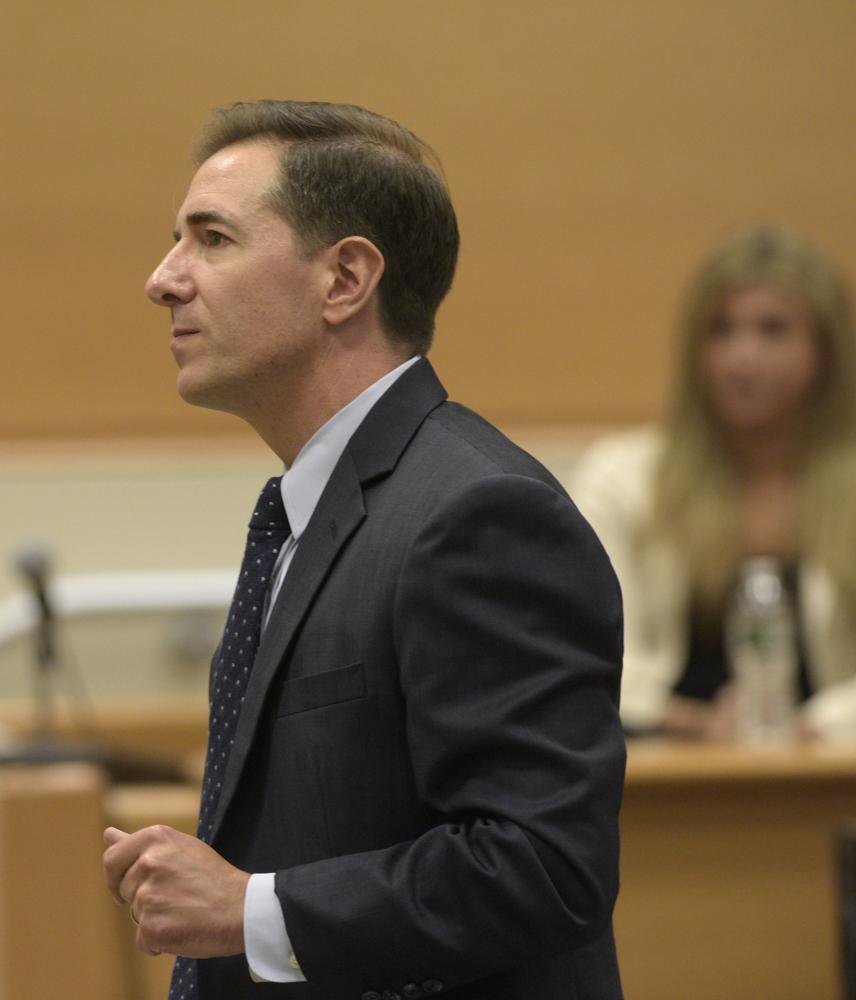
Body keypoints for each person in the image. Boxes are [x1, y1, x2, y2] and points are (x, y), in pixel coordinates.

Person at [101, 100, 625, 1000]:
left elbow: (544, 867)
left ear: (344, 279)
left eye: (212, 239)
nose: (163, 279)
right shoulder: (319, 507)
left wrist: (248, 912)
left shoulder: (478, 512)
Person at [571, 225, 856, 742]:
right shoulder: (623, 480)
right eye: (721, 331)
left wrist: (814, 726)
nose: (742, 356)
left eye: (773, 330)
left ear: (826, 350)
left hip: (831, 770)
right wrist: (688, 721)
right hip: (667, 768)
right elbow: (579, 648)